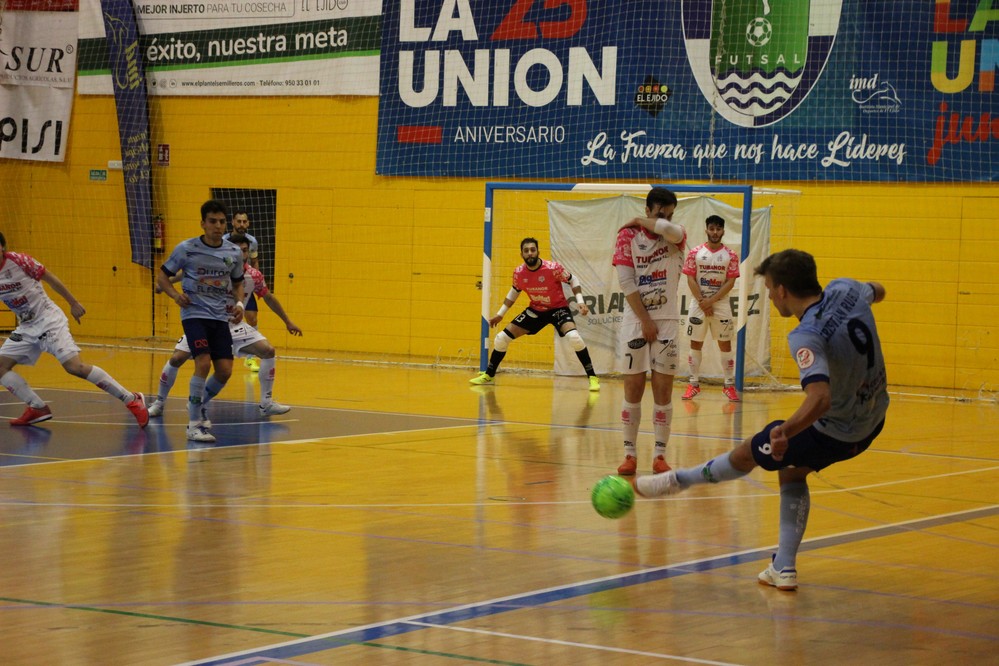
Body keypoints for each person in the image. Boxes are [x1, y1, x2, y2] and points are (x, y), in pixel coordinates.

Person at [636, 249, 889, 591]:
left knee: (750, 452)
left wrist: (785, 431)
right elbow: (878, 290)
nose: (769, 296)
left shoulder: (805, 334)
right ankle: (783, 566)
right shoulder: (847, 289)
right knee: (793, 470)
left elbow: (820, 398)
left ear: (783, 290)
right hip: (874, 419)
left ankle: (677, 482)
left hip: (837, 431)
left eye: (770, 288)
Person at [0, 231, 148, 427]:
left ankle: (131, 398)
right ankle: (37, 407)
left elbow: (50, 278)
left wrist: (73, 303)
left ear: (2, 248)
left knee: (74, 367)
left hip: (49, 319)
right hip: (26, 327)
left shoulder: (19, 261)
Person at [148, 233, 302, 421]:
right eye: (239, 250)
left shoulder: (253, 275)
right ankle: (159, 402)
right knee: (177, 358)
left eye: (245, 251)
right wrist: (167, 284)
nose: (242, 254)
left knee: (268, 350)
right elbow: (188, 272)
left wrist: (287, 321)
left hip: (234, 325)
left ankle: (265, 403)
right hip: (205, 319)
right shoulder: (217, 266)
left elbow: (268, 297)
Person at [612, 187, 687, 476]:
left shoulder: (675, 234)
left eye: (669, 214)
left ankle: (659, 455)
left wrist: (639, 219)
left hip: (667, 321)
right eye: (659, 213)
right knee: (632, 388)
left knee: (663, 390)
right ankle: (629, 454)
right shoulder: (626, 237)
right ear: (649, 209)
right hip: (636, 320)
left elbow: (671, 230)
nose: (665, 219)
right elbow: (626, 282)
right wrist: (645, 320)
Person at [157, 200, 245, 443]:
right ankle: (194, 424)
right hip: (194, 314)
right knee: (203, 363)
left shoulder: (233, 252)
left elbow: (237, 282)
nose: (218, 226)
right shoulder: (186, 249)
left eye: (221, 222)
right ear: (203, 224)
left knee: (225, 371)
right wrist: (175, 296)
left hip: (220, 316)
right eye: (213, 222)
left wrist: (239, 305)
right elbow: (162, 277)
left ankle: (197, 402)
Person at [470, 237, 599, 391]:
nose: (530, 253)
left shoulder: (552, 268)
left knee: (574, 338)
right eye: (526, 251)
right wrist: (500, 314)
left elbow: (573, 279)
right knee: (501, 339)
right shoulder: (518, 273)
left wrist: (580, 301)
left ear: (538, 251)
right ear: (521, 254)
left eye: (533, 250)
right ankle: (489, 375)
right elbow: (514, 291)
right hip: (536, 310)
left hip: (558, 309)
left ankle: (592, 377)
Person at [682, 214, 741, 402]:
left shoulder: (730, 255)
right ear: (706, 230)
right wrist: (702, 300)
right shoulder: (695, 253)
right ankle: (693, 383)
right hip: (698, 303)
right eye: (712, 229)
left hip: (721, 304)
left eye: (718, 229)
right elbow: (690, 278)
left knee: (725, 343)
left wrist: (712, 301)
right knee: (695, 342)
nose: (715, 232)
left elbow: (730, 282)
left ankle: (729, 385)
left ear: (723, 231)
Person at [224, 210, 261, 370]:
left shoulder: (252, 241)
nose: (242, 225)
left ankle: (251, 357)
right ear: (232, 222)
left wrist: (255, 282)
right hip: (226, 285)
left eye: (244, 222)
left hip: (245, 283)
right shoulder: (224, 240)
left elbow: (254, 261)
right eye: (238, 221)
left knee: (252, 318)